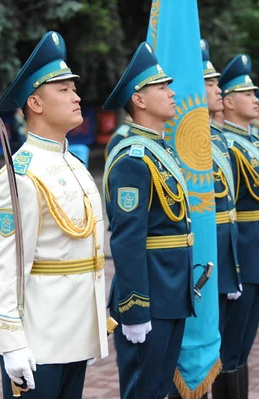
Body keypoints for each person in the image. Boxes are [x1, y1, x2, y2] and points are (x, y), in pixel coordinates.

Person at [0, 31, 109, 399]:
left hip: (75, 334)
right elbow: (3, 266)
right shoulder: (21, 174)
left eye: (74, 89)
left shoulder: (73, 162)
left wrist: (94, 324)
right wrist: (10, 343)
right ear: (35, 103)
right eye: (65, 90)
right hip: (39, 340)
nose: (77, 97)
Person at [102, 42, 195, 399]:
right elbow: (126, 239)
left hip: (171, 289)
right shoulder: (132, 159)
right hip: (151, 293)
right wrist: (135, 306)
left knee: (159, 388)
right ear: (138, 100)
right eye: (161, 88)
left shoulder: (159, 151)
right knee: (144, 390)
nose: (172, 94)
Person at [219, 54, 259, 396]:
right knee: (231, 346)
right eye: (247, 94)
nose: (256, 99)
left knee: (244, 345)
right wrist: (234, 267)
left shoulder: (252, 144)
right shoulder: (227, 146)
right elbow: (231, 211)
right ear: (228, 102)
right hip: (242, 258)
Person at [198, 39, 243, 399]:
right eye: (210, 83)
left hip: (224, 252)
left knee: (230, 340)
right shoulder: (186, 141)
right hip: (202, 260)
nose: (219, 89)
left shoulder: (217, 138)